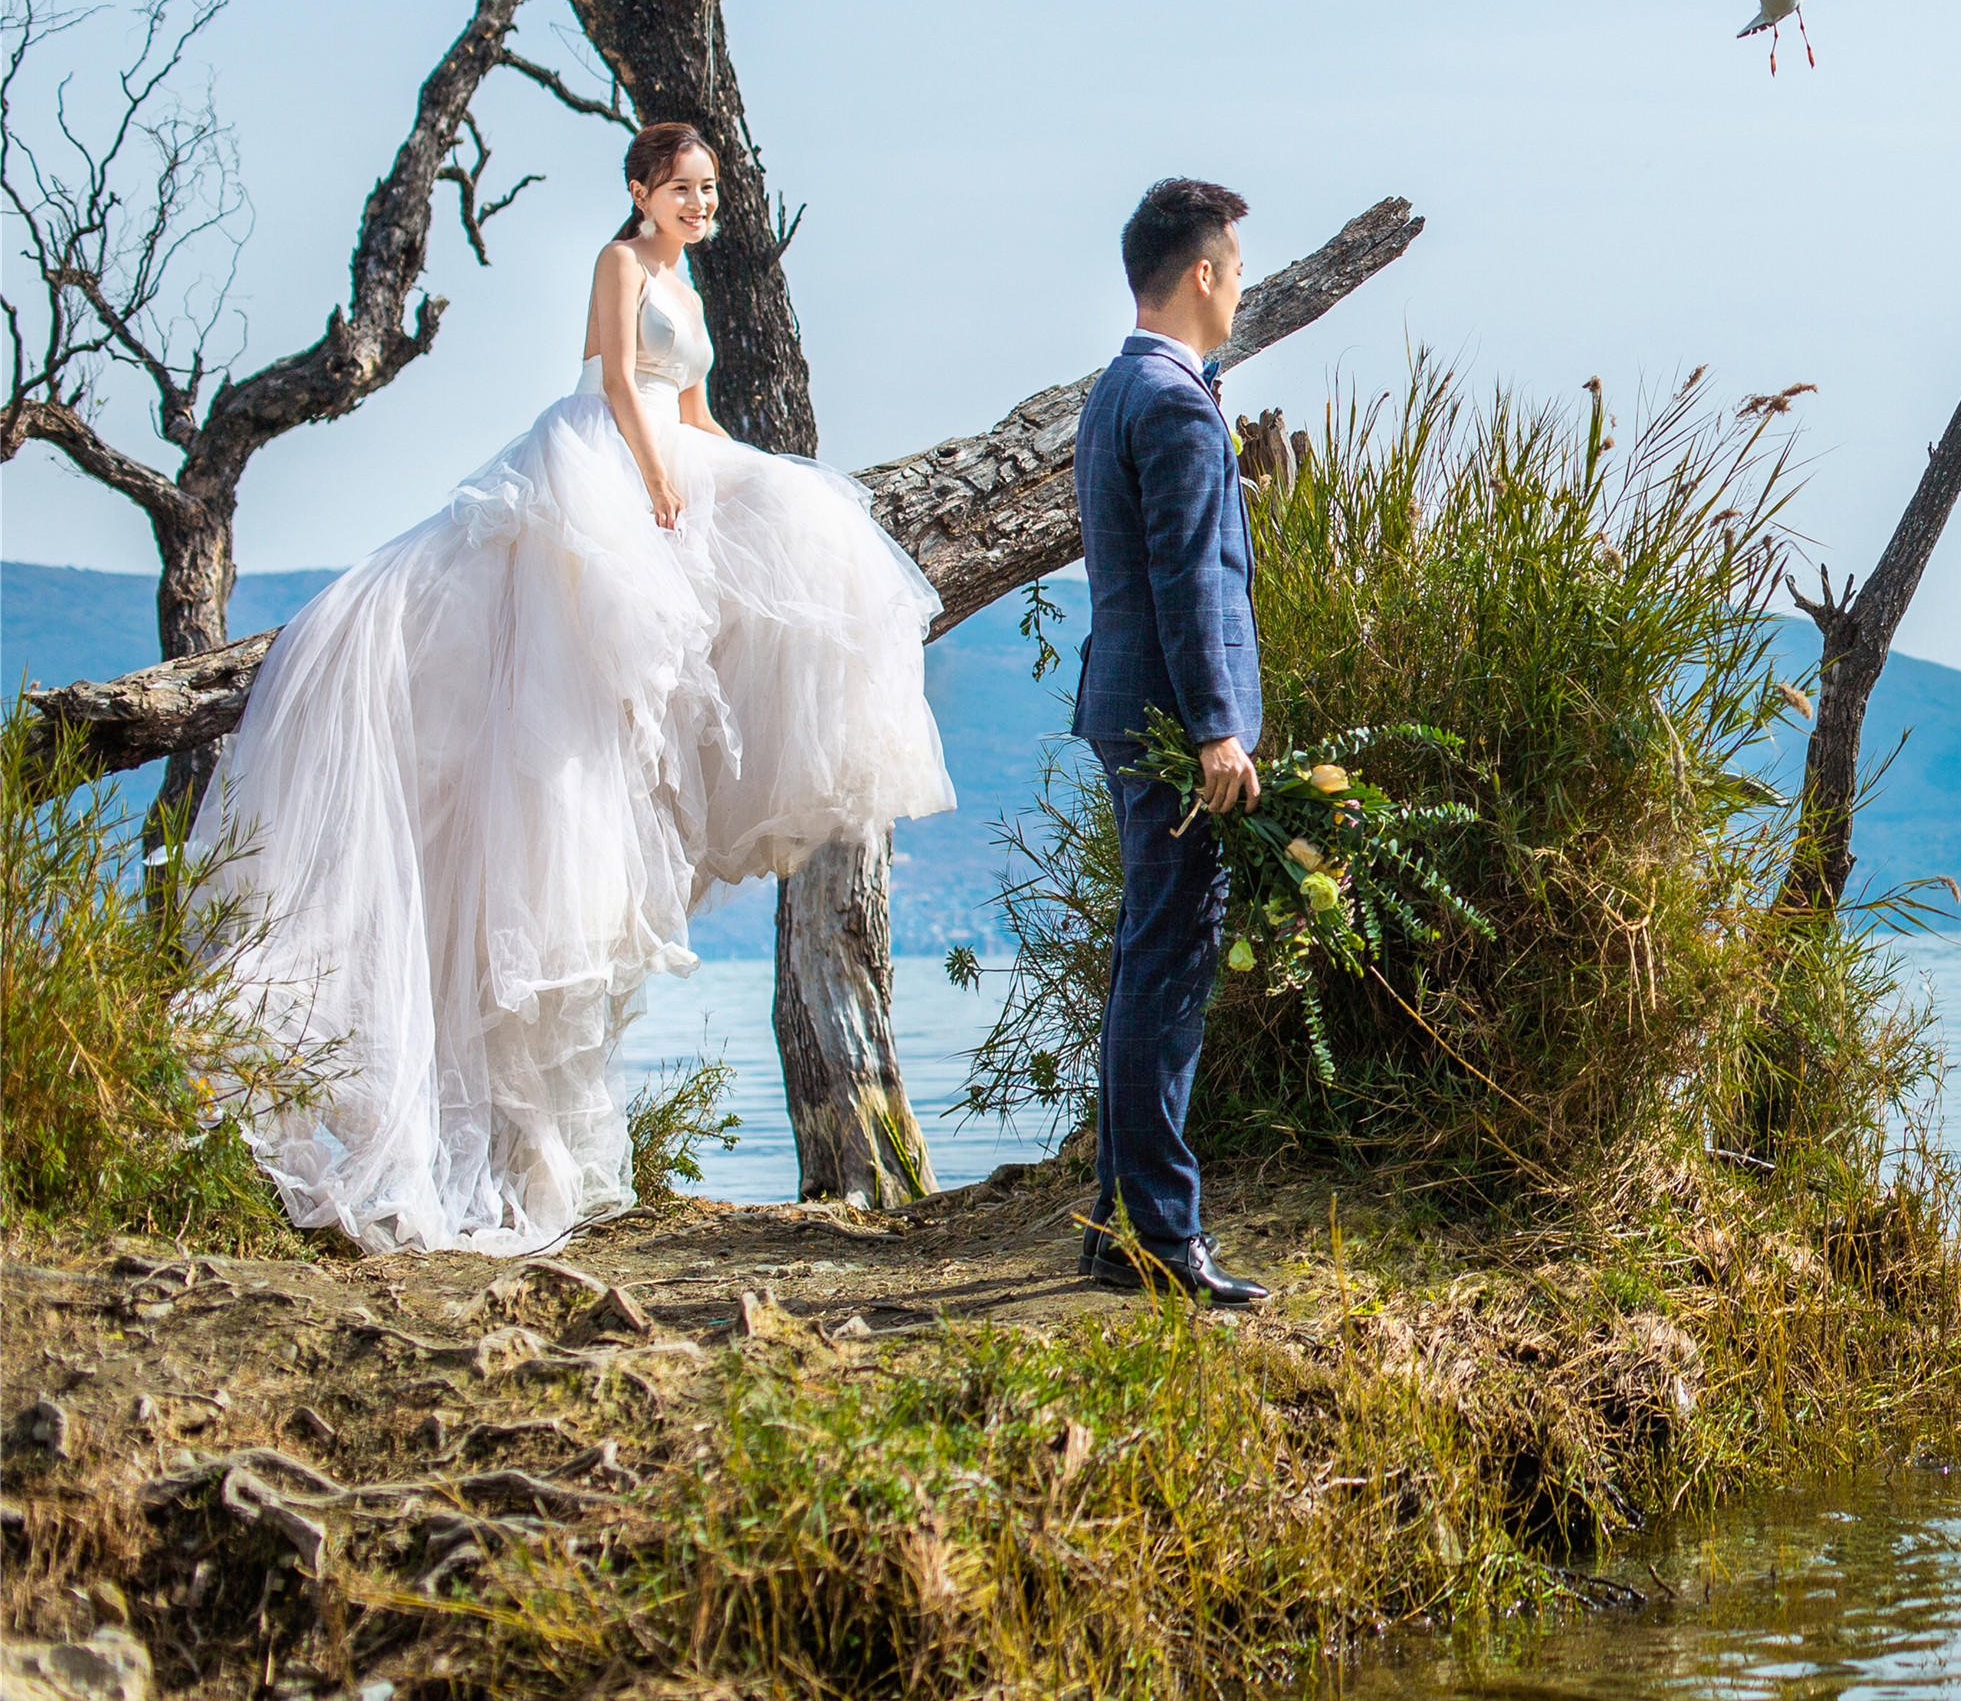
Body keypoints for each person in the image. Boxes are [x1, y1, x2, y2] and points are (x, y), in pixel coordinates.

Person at [195, 121, 953, 1253]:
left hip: (667, 451)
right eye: (681, 187)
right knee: (576, 667)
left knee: (812, 527)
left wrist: (749, 478)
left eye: (709, 189)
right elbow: (617, 384)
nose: (699, 203)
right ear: (641, 189)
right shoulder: (621, 263)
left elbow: (696, 413)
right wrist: (654, 479)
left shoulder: (687, 284)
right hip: (602, 456)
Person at [1070, 178, 1271, 1305]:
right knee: (1170, 962)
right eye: (1235, 270)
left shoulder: (1116, 388)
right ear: (1201, 274)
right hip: (1170, 724)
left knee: (1145, 957)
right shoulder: (1178, 403)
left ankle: (1119, 1227)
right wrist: (1216, 730)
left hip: (1126, 705)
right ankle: (1160, 1233)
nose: (1240, 290)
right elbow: (1191, 578)